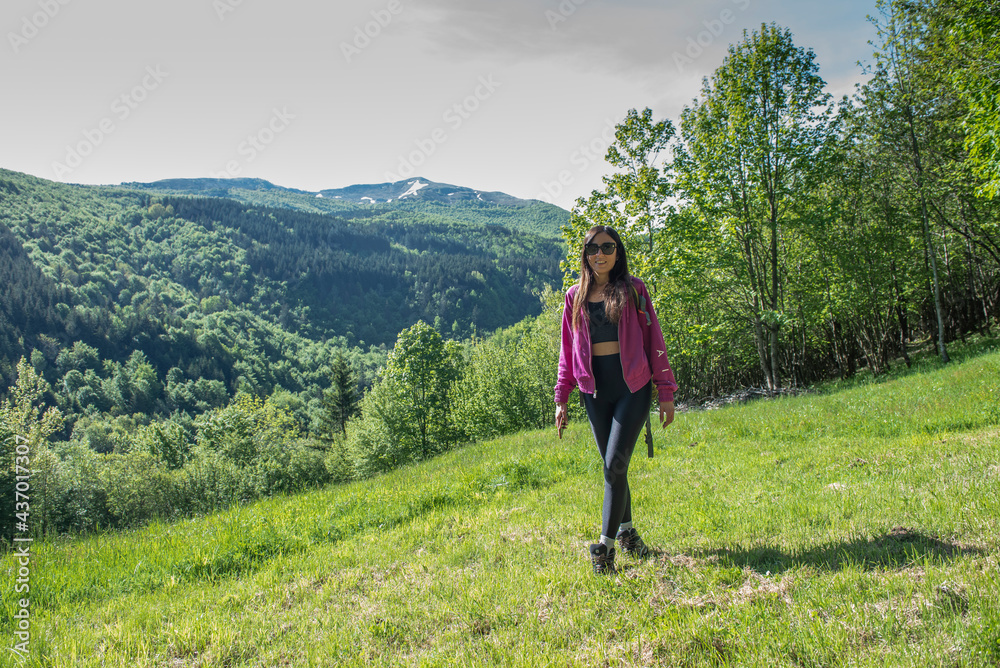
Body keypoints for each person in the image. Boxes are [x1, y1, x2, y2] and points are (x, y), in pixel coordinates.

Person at [554, 225, 678, 575]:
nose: (600, 254)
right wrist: (561, 397)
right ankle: (628, 535)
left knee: (612, 467)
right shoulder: (574, 295)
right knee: (615, 469)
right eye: (593, 248)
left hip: (632, 388)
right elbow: (567, 350)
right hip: (593, 391)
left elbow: (654, 338)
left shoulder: (634, 289)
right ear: (585, 254)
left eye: (608, 247)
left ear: (618, 252)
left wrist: (665, 391)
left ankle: (604, 548)